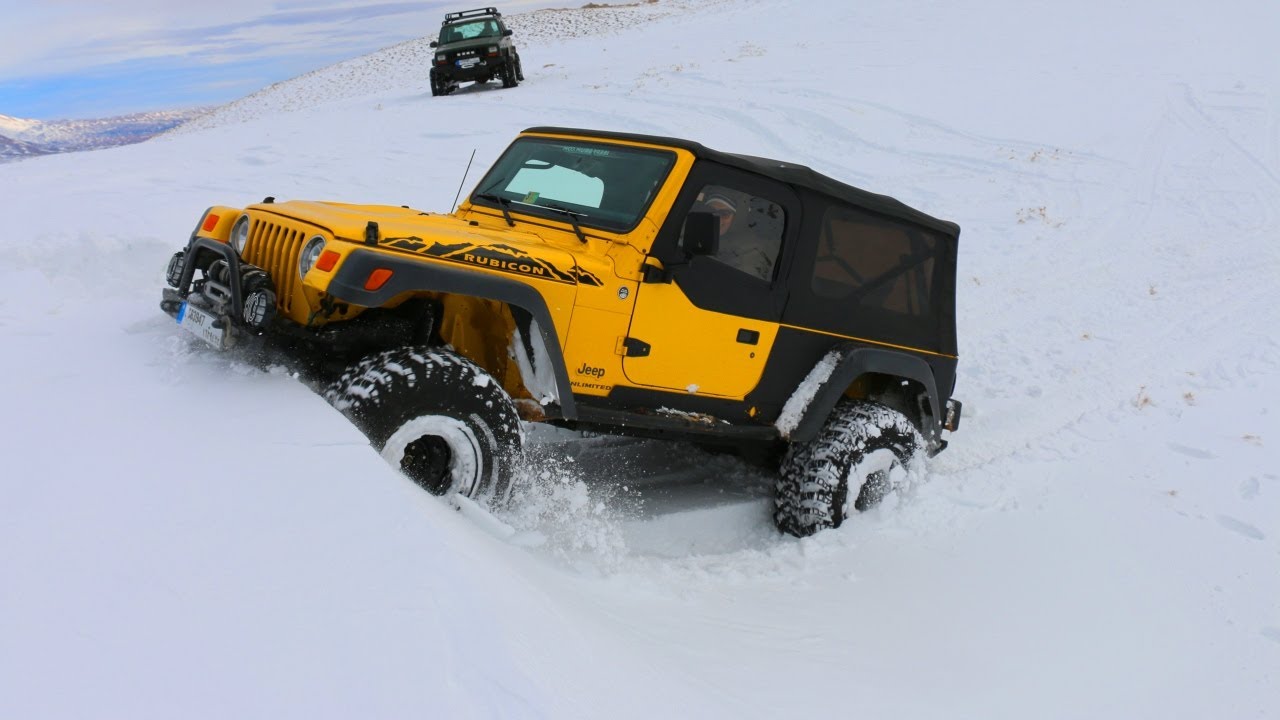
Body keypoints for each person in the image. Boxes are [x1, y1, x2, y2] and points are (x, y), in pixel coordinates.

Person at [696, 188, 781, 281]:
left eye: (725, 214)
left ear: (737, 218)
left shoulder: (751, 251)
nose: (716, 218)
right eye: (710, 210)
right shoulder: (695, 230)